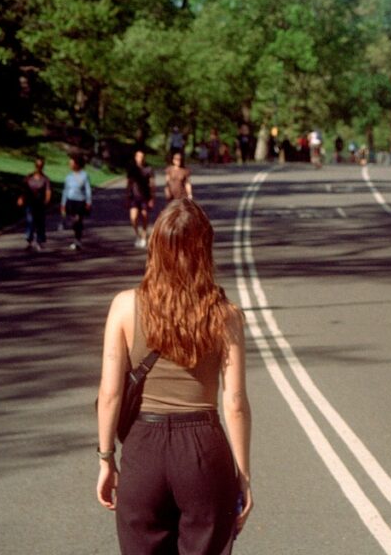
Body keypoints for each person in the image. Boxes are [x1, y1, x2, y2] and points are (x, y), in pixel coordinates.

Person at [96, 198, 253, 554]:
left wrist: (106, 459)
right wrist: (242, 476)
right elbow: (235, 403)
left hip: (143, 449)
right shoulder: (226, 315)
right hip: (203, 450)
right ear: (205, 251)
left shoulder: (124, 306)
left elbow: (110, 394)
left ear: (156, 247)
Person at [18, 156, 52, 251]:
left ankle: (39, 241)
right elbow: (24, 189)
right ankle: (29, 241)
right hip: (30, 203)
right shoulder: (29, 177)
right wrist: (21, 198)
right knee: (30, 221)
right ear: (35, 166)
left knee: (40, 223)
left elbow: (48, 191)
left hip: (40, 204)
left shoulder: (45, 179)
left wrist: (47, 200)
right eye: (37, 165)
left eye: (41, 165)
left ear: (43, 167)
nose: (39, 167)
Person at [60, 153, 92, 251]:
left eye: (72, 163)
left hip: (80, 202)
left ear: (77, 164)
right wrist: (63, 204)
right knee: (74, 222)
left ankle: (77, 240)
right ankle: (77, 237)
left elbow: (88, 190)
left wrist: (88, 202)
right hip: (70, 201)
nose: (70, 165)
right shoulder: (68, 176)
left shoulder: (85, 175)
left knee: (78, 221)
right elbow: (65, 190)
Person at [126, 148, 156, 249]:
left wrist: (152, 197)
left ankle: (144, 236)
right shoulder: (132, 168)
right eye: (138, 157)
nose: (140, 159)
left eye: (142, 157)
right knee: (133, 218)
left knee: (144, 216)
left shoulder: (148, 169)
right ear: (135, 157)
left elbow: (152, 184)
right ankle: (138, 235)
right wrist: (126, 196)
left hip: (145, 196)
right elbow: (128, 182)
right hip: (133, 196)